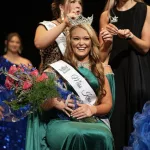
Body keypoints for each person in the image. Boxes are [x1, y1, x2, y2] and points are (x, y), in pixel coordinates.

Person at [26, 23, 114, 149]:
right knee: (76, 134)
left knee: (103, 135)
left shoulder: (98, 69)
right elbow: (40, 105)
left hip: (91, 120)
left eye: (86, 38)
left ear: (92, 41)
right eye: (76, 38)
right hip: (62, 122)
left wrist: (92, 109)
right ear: (69, 41)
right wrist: (54, 102)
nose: (81, 43)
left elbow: (107, 104)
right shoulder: (56, 69)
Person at [99, 0, 150, 149]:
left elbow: (146, 47)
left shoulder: (145, 9)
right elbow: (101, 55)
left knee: (137, 114)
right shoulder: (107, 14)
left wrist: (130, 36)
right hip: (115, 70)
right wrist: (107, 41)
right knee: (117, 117)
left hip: (138, 70)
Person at [0, 32, 32, 150]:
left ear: (20, 45)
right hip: (3, 105)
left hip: (22, 106)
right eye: (12, 41)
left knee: (21, 136)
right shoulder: (1, 61)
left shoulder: (26, 63)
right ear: (6, 43)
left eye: (17, 42)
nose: (14, 44)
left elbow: (32, 85)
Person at [34, 0, 83, 72]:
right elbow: (39, 43)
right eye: (72, 2)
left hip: (76, 79)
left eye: (80, 3)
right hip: (52, 79)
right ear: (61, 7)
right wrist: (64, 24)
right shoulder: (47, 26)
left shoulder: (82, 29)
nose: (78, 6)